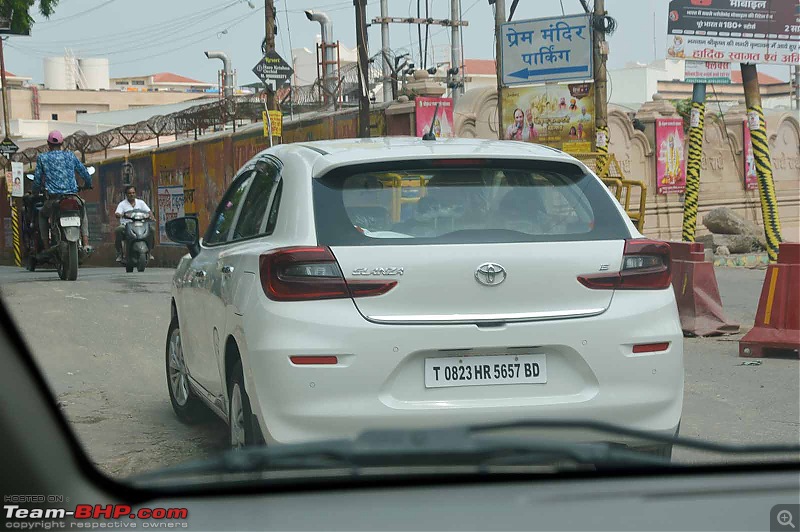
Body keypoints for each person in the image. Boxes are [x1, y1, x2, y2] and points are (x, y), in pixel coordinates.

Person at [33, 130, 93, 250]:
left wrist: (35, 191)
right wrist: (88, 184)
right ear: (62, 143)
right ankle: (86, 243)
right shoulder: (70, 155)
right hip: (73, 197)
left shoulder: (42, 158)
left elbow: (37, 180)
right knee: (82, 211)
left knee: (42, 215)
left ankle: (46, 247)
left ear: (48, 144)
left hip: (54, 200)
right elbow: (84, 173)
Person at [115, 185, 155, 262]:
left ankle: (150, 252)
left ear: (135, 193)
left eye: (133, 193)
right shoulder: (122, 204)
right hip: (127, 225)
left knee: (152, 230)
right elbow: (117, 213)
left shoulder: (141, 202)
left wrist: (152, 217)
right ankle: (120, 252)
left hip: (141, 224)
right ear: (126, 194)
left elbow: (148, 211)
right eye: (129, 193)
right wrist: (119, 215)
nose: (131, 194)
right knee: (118, 230)